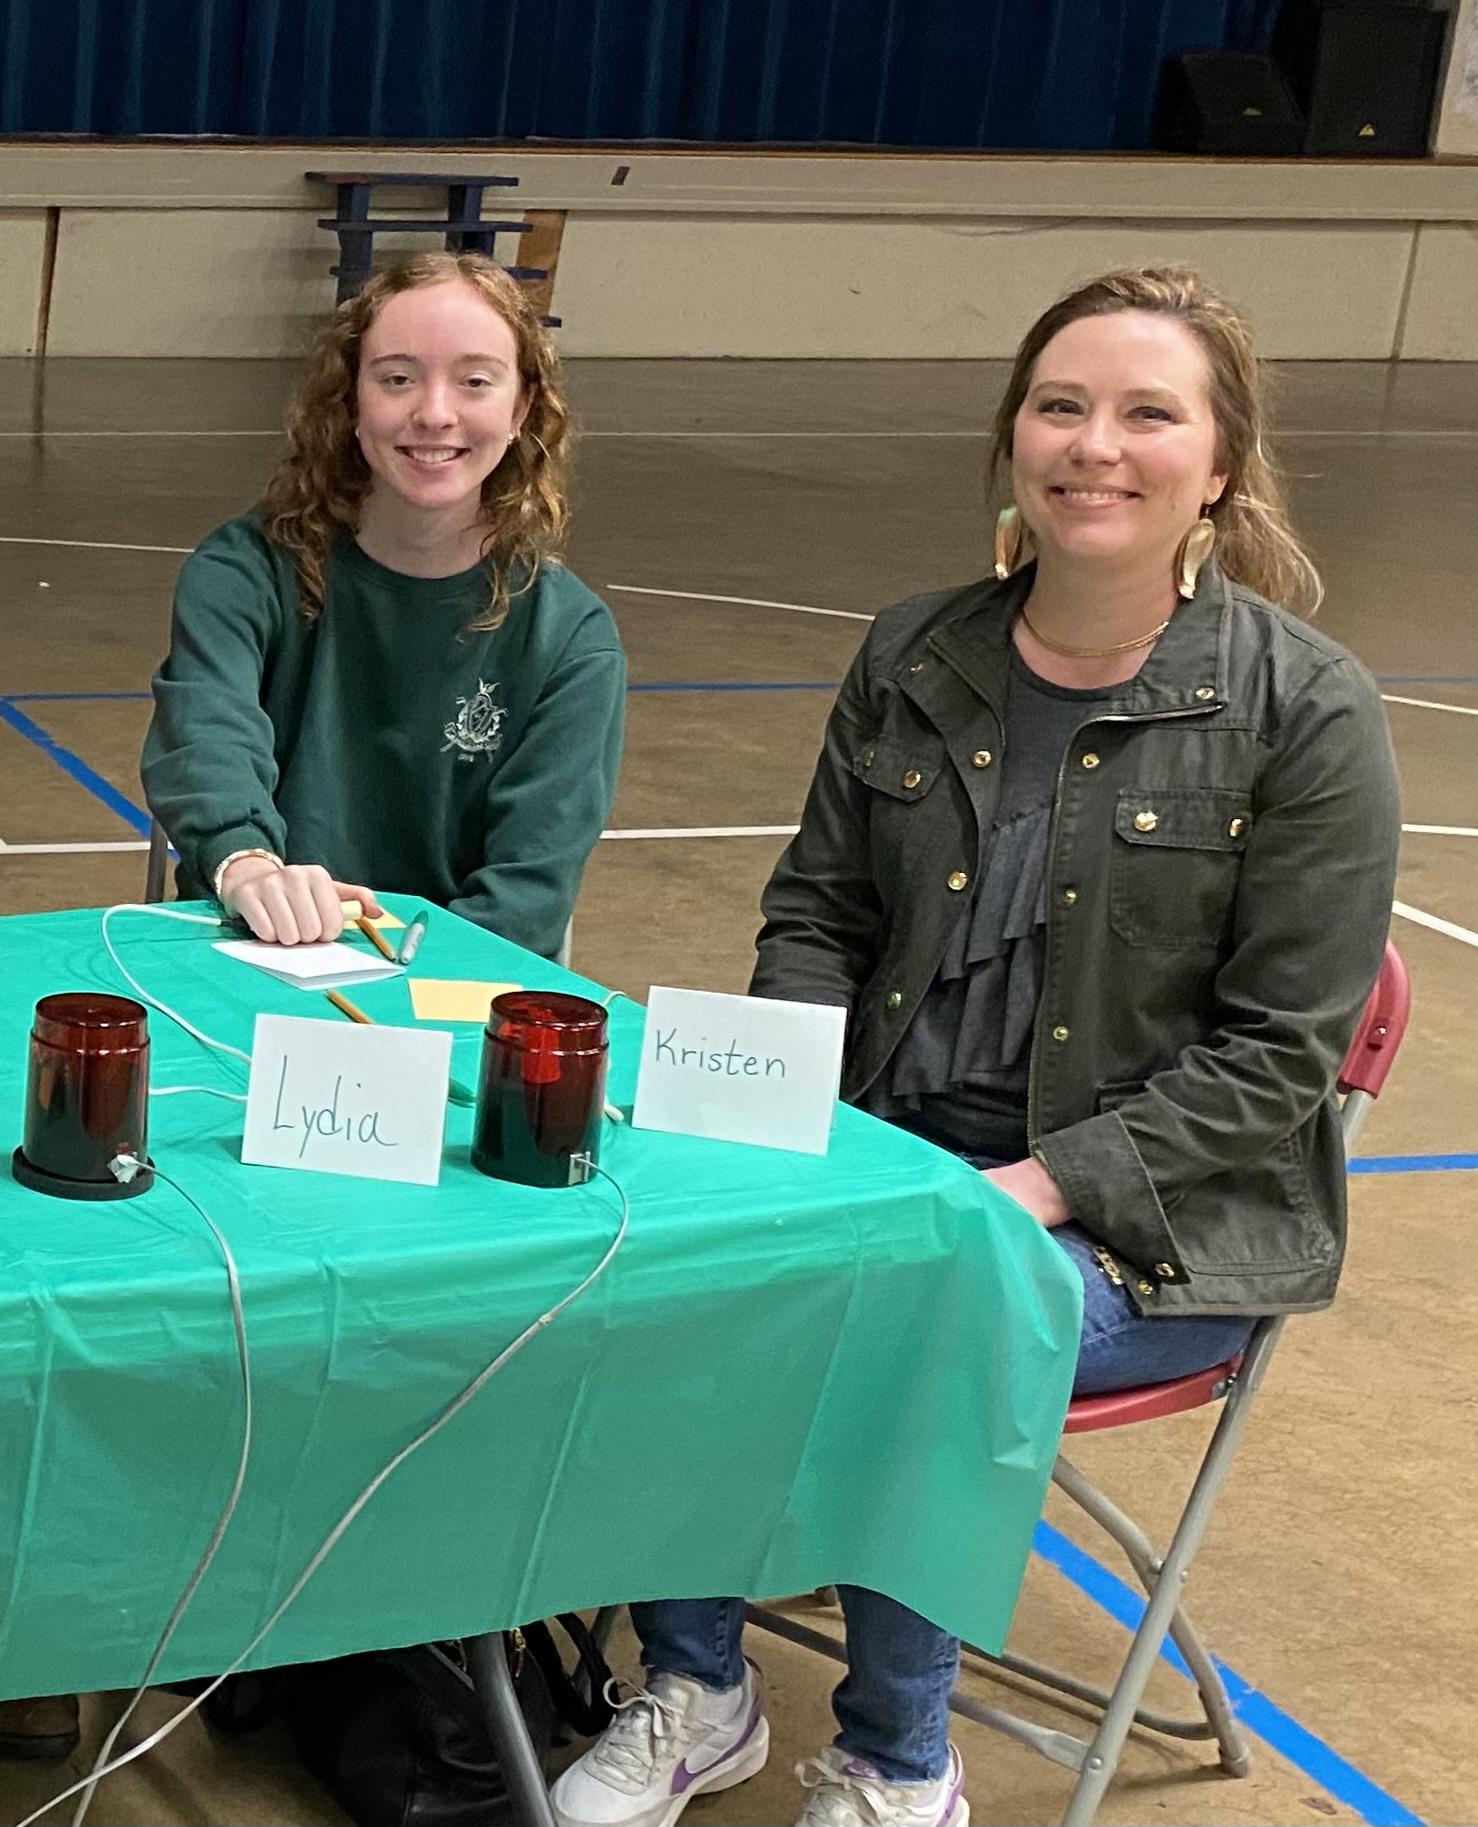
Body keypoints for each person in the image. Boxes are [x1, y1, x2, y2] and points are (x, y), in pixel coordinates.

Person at [554, 267, 1399, 1827]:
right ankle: (697, 1683)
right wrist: (779, 1111)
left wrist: (1032, 1185)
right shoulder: (911, 653)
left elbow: (1281, 1052)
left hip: (1150, 1225)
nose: (1095, 444)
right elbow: (813, 910)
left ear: (1215, 464)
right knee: (663, 1251)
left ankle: (898, 1759)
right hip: (891, 1151)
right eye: (1060, 405)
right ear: (1014, 435)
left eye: (1148, 412)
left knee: (928, 1311)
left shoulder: (1306, 711)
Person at [138, 252, 623, 960]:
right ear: (351, 401)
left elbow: (526, 895)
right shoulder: (241, 574)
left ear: (520, 410)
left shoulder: (571, 641)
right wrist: (246, 866)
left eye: (475, 381)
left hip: (444, 991)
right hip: (253, 960)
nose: (433, 413)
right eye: (397, 378)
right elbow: (208, 743)